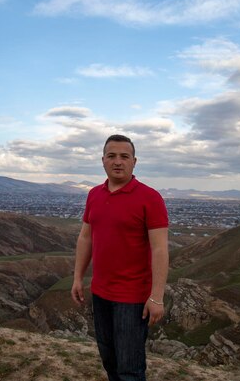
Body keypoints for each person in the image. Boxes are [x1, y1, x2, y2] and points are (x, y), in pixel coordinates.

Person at [71, 134, 169, 381]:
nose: (118, 161)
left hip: (133, 298)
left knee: (130, 368)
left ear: (134, 161)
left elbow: (159, 250)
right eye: (111, 156)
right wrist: (77, 278)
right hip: (101, 293)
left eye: (124, 156)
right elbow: (86, 238)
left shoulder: (150, 198)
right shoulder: (94, 194)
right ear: (102, 160)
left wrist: (156, 297)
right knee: (109, 360)